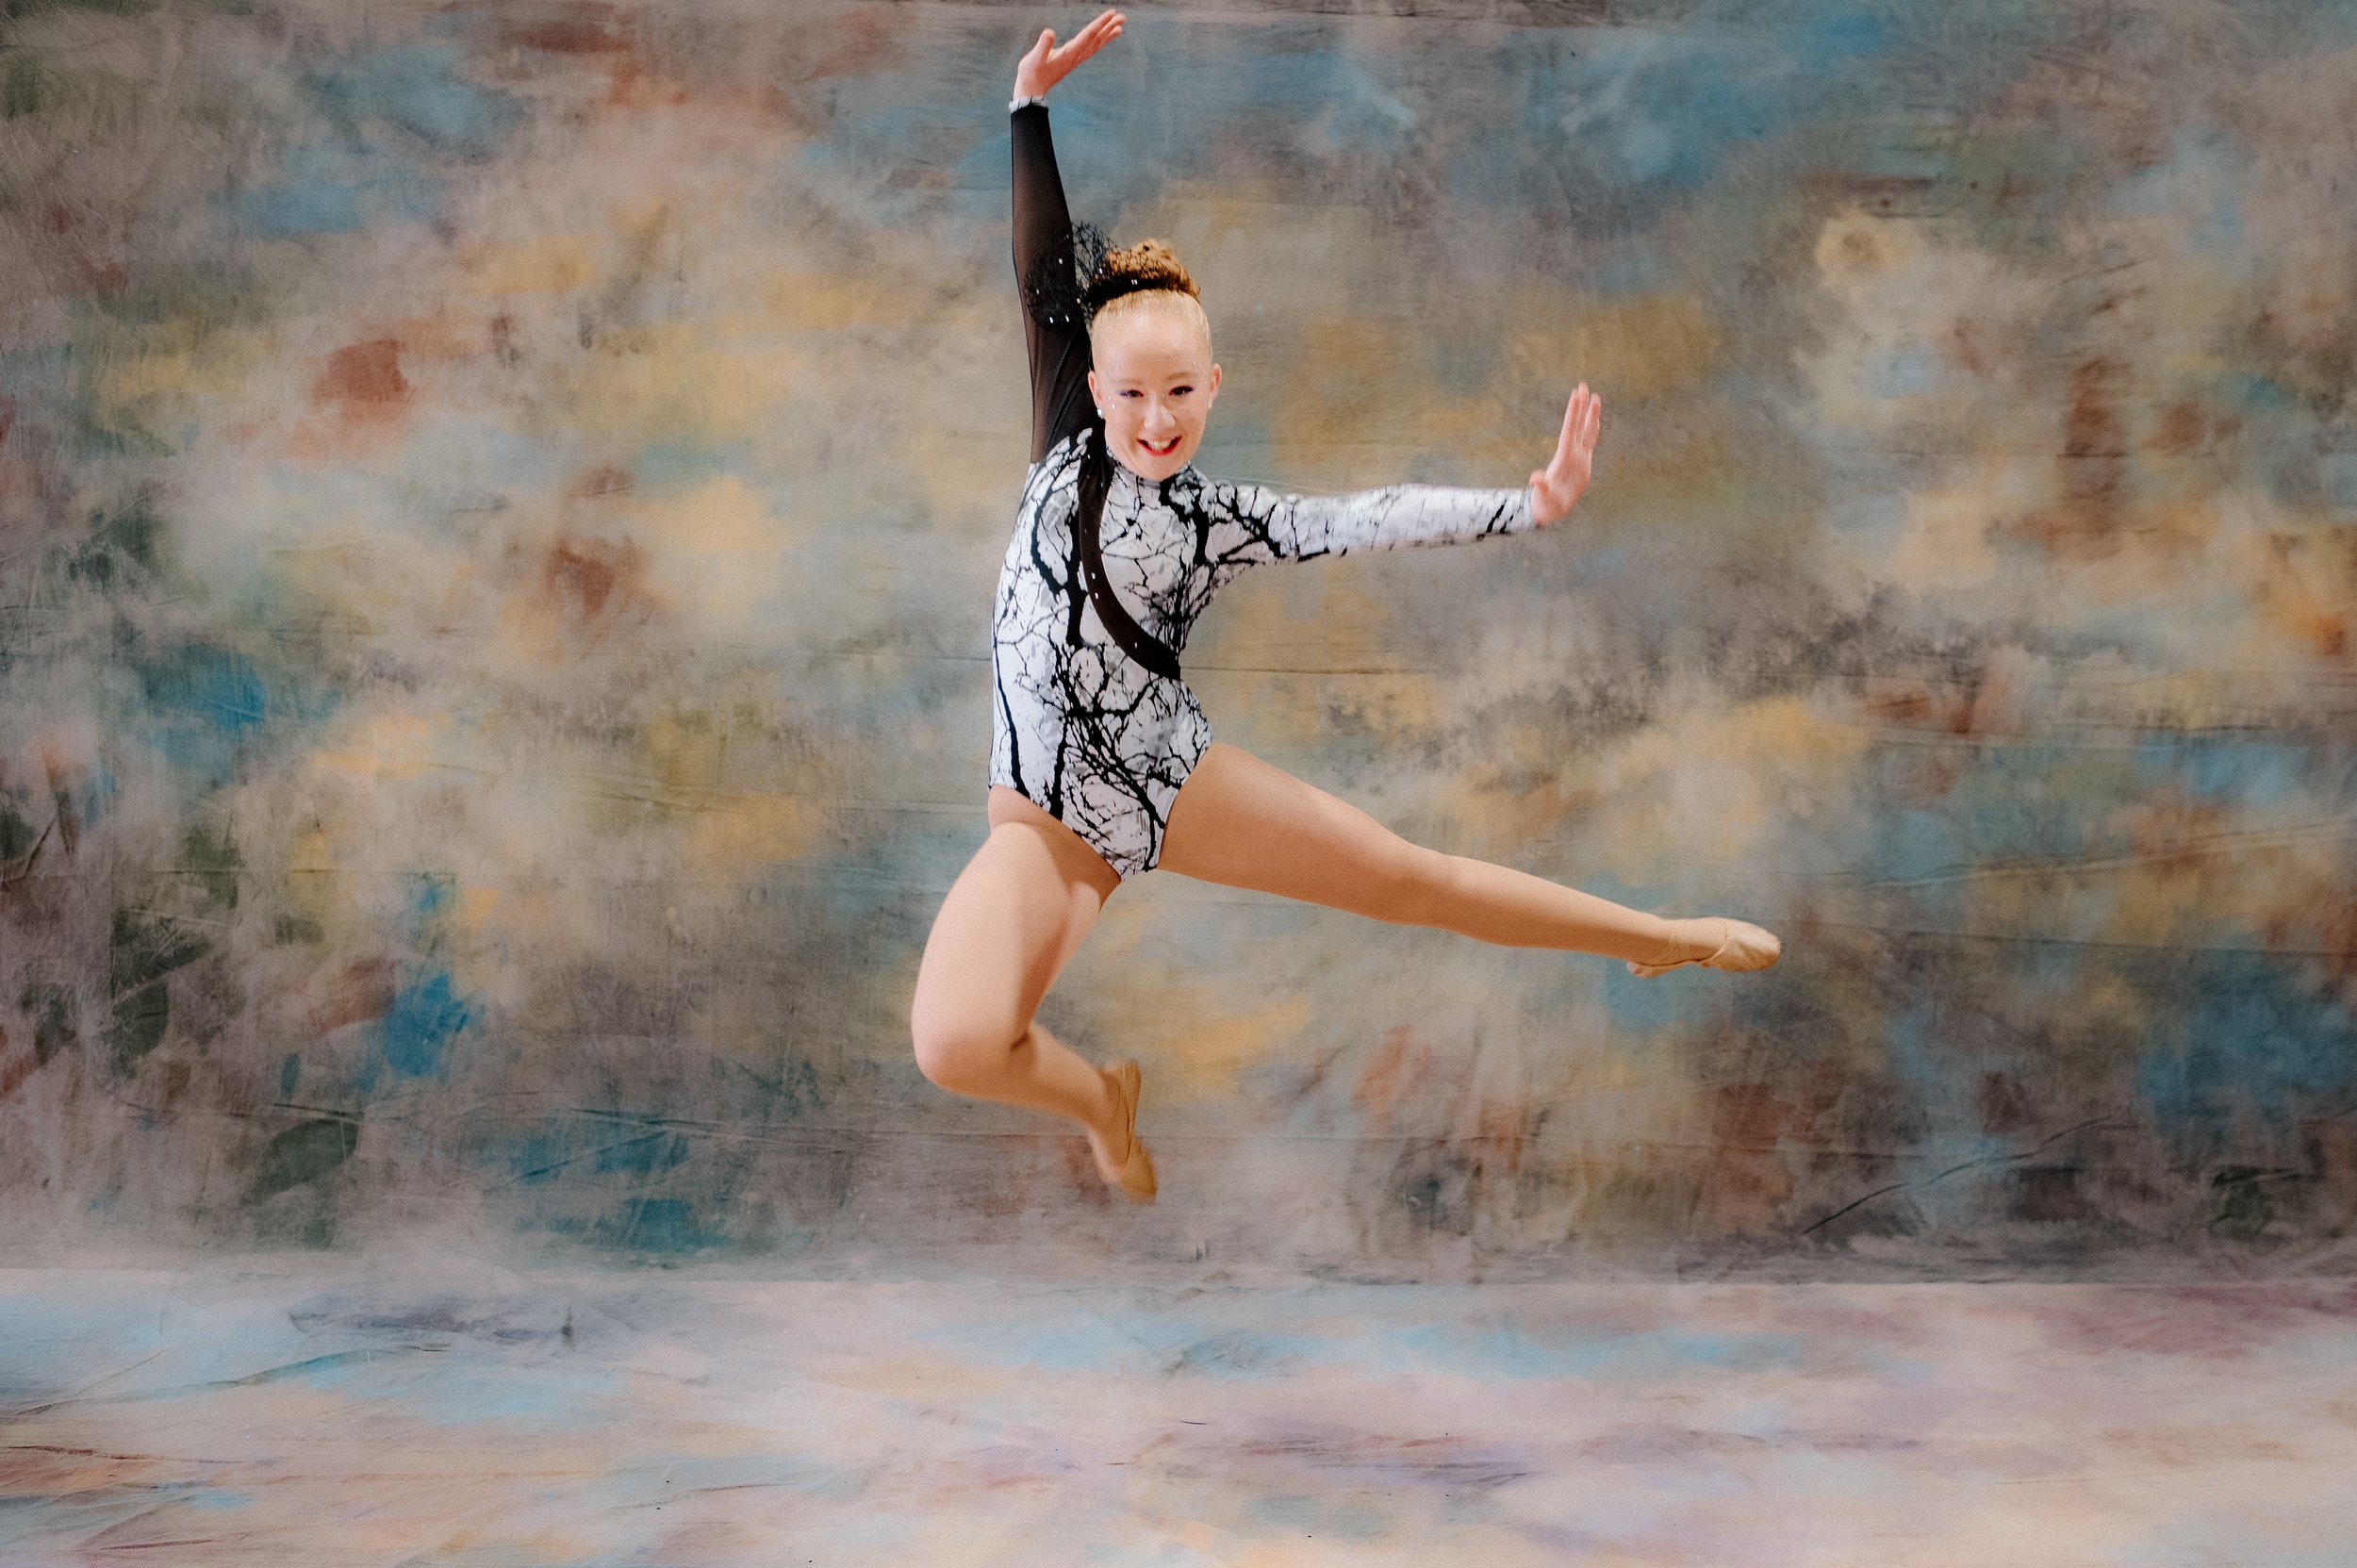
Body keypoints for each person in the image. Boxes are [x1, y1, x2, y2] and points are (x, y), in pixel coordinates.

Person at [910, 8, 1779, 1204]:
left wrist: (1523, 506)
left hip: (1168, 780)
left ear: (1213, 386)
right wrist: (1027, 109)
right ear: (1093, 385)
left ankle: (1658, 935)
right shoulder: (1067, 436)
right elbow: (1039, 272)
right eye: (1134, 394)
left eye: (1181, 392)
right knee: (957, 1043)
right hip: (1044, 821)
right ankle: (1100, 1097)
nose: (1157, 420)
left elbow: (1366, 516)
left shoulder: (1218, 518)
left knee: (1412, 879)